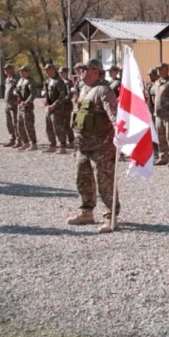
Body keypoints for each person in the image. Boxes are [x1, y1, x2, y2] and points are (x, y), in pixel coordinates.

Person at [69, 59, 119, 233]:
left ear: (96, 72)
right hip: (82, 146)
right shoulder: (84, 89)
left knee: (105, 182)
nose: (80, 72)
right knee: (83, 179)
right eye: (80, 69)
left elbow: (114, 115)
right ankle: (86, 212)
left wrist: (118, 132)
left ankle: (110, 216)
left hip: (101, 148)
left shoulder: (104, 90)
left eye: (85, 69)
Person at [43, 63, 71, 154]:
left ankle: (62, 147)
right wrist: (46, 104)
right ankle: (52, 145)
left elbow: (62, 96)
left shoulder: (59, 81)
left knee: (58, 128)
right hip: (49, 108)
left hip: (58, 108)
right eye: (45, 70)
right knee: (49, 127)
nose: (46, 72)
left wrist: (54, 105)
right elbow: (47, 94)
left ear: (53, 70)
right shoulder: (47, 80)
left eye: (48, 70)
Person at [14, 65, 38, 151]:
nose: (21, 73)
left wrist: (26, 102)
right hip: (20, 106)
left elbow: (33, 93)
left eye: (23, 71)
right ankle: (25, 142)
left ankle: (33, 143)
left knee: (29, 125)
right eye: (20, 71)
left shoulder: (30, 81)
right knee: (20, 125)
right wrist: (15, 92)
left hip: (28, 107)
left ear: (27, 72)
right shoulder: (20, 81)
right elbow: (16, 89)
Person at [2, 64, 19, 147]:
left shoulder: (16, 80)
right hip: (7, 104)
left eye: (7, 69)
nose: (5, 70)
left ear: (12, 69)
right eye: (5, 69)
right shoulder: (7, 79)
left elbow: (19, 91)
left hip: (14, 105)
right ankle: (12, 139)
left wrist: (17, 101)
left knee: (16, 123)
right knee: (9, 123)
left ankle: (19, 140)